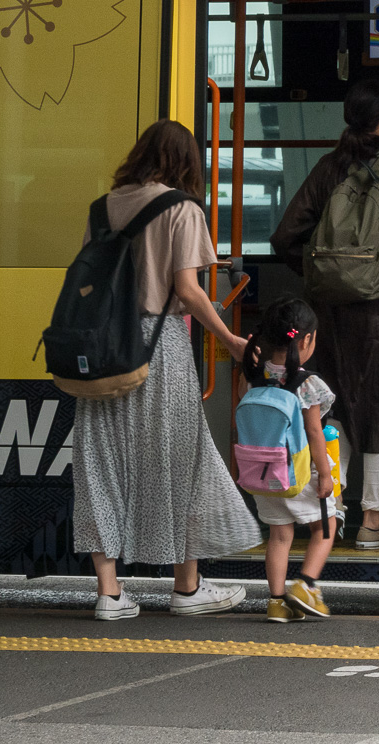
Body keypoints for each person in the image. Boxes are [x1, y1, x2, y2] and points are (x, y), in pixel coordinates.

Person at [73, 120, 258, 621]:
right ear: (186, 162)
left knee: (102, 466)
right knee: (182, 460)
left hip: (105, 350)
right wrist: (230, 339)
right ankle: (186, 586)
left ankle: (109, 594)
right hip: (162, 347)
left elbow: (86, 280)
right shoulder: (182, 207)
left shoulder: (103, 207)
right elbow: (190, 289)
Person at [271, 78, 379, 551]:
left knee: (335, 405)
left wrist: (323, 273)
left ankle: (330, 512)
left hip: (330, 310)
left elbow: (286, 236)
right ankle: (372, 522)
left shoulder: (330, 168)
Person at [240, 298, 337, 621]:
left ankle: (277, 601)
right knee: (326, 526)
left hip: (262, 472)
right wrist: (324, 474)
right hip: (300, 472)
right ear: (306, 339)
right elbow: (314, 433)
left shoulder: (253, 375)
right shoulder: (307, 383)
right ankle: (306, 585)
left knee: (280, 536)